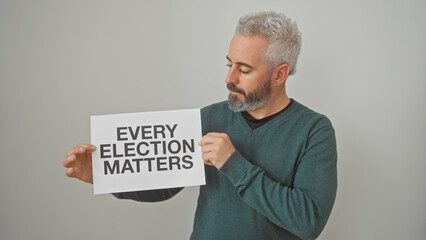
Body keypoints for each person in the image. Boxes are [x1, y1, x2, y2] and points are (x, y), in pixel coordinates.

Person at [62, 11, 337, 240]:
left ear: (280, 74)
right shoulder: (208, 118)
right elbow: (163, 185)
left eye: (243, 69)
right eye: (229, 64)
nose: (229, 78)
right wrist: (102, 174)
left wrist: (233, 164)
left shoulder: (315, 131)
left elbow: (308, 221)